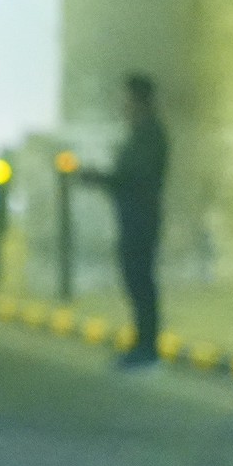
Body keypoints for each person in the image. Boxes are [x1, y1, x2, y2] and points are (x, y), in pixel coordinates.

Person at [82, 72, 167, 368]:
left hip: (141, 220)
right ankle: (142, 344)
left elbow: (134, 178)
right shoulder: (140, 134)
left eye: (127, 99)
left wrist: (98, 177)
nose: (123, 105)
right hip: (133, 218)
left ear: (139, 101)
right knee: (136, 282)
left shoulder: (150, 135)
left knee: (141, 283)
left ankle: (147, 349)